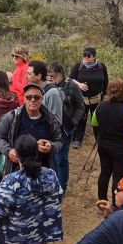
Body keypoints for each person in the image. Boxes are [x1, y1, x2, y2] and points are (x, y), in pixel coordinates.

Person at [0, 134, 63, 244]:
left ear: (16, 155)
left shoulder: (11, 181)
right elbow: (57, 196)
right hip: (38, 241)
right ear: (37, 152)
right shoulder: (50, 175)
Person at [0, 83, 63, 176]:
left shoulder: (51, 120)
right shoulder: (11, 117)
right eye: (29, 97)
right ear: (24, 99)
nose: (33, 100)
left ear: (42, 99)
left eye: (37, 97)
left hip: (43, 171)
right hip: (16, 171)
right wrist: (8, 151)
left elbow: (59, 141)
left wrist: (51, 146)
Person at [91, 79, 123, 205]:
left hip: (104, 146)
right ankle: (115, 204)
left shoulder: (100, 106)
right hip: (122, 149)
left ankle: (102, 202)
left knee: (104, 173)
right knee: (118, 177)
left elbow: (94, 123)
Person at [47, 61, 85, 193]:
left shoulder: (72, 86)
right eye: (49, 76)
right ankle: (54, 184)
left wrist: (74, 121)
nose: (51, 78)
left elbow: (81, 105)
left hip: (65, 128)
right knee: (52, 158)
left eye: (53, 76)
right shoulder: (49, 87)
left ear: (61, 74)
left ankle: (62, 187)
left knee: (61, 159)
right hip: (51, 128)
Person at [69, 47, 109, 149]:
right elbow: (70, 79)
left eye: (88, 55)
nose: (86, 57)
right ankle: (78, 140)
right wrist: (79, 84)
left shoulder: (101, 66)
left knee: (96, 119)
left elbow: (105, 81)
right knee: (81, 118)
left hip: (97, 98)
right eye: (84, 55)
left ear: (94, 56)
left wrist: (104, 94)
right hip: (81, 99)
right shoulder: (79, 66)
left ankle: (99, 140)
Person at [27, 60, 64, 125]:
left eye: (29, 74)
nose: (26, 77)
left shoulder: (52, 93)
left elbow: (57, 121)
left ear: (38, 76)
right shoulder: (32, 90)